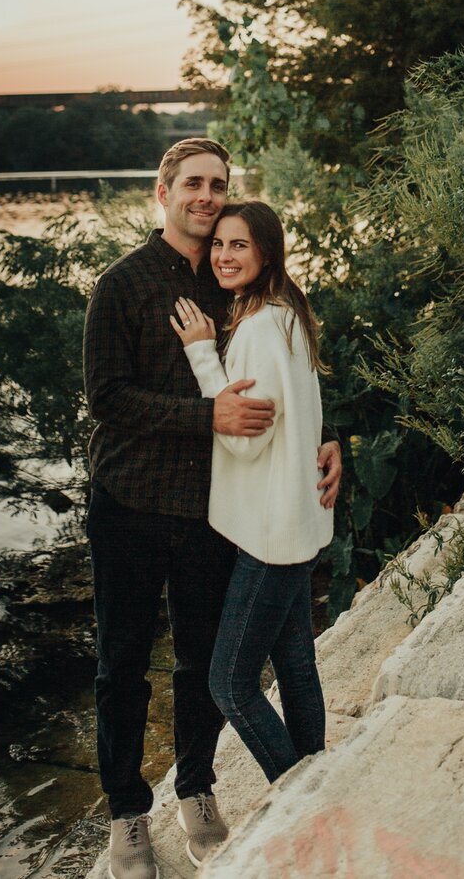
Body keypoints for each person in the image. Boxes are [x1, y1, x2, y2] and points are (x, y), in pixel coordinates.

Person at [83, 141, 342, 879]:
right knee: (122, 665)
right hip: (129, 503)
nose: (206, 196)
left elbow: (281, 378)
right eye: (193, 184)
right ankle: (128, 815)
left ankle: (195, 790)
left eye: (218, 186)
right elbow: (105, 399)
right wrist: (209, 420)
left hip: (211, 515)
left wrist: (323, 441)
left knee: (202, 664)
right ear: (162, 192)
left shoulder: (237, 278)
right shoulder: (122, 285)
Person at [169, 199, 334, 792]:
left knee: (229, 684)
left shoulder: (257, 331)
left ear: (265, 252)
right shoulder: (289, 314)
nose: (223, 256)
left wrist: (201, 355)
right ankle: (317, 780)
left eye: (238, 245)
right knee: (294, 664)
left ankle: (293, 793)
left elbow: (243, 443)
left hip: (269, 540)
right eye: (218, 244)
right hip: (299, 526)